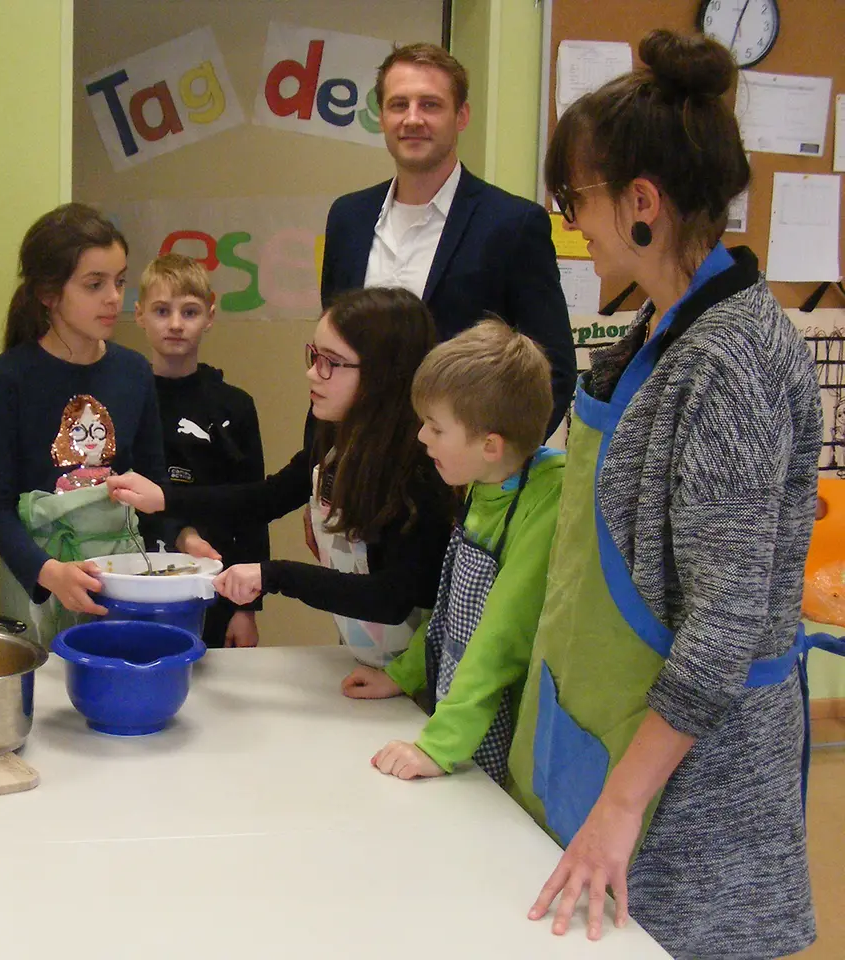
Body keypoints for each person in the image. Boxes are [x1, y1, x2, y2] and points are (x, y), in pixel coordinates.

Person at [512, 31, 823, 957]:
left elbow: (723, 625)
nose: (575, 227)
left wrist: (619, 806)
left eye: (577, 204)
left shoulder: (729, 361)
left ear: (641, 203)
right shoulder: (658, 333)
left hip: (697, 794)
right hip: (620, 738)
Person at [109, 287, 454, 668]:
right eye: (314, 355)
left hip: (419, 671)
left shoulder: (420, 470)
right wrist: (165, 500)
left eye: (331, 362)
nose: (312, 372)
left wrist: (272, 575)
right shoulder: (337, 440)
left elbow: (391, 597)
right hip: (367, 659)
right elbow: (266, 498)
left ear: (382, 373)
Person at [0, 203, 208, 647]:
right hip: (40, 579)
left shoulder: (134, 371)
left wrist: (184, 535)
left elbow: (151, 487)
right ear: (48, 293)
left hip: (118, 578)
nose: (114, 298)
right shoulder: (9, 376)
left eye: (119, 282)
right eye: (94, 284)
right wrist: (49, 573)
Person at [340, 319, 562, 786]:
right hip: (459, 716)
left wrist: (438, 746)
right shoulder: (485, 482)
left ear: (489, 445)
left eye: (436, 428)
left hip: (510, 737)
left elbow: (500, 638)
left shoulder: (544, 504)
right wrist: (404, 676)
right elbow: (452, 612)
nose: (421, 437)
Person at [319, 43, 575, 433]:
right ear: (382, 116)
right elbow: (330, 355)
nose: (413, 119)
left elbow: (551, 368)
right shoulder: (348, 218)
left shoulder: (513, 224)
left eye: (431, 105)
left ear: (462, 116)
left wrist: (495, 469)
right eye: (398, 104)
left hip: (458, 479)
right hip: (354, 462)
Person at [136, 253, 269, 648]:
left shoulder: (234, 406)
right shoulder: (128, 399)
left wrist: (247, 609)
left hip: (217, 587)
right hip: (138, 577)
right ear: (140, 314)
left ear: (210, 315)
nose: (175, 324)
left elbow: (253, 510)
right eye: (162, 311)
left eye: (189, 311)